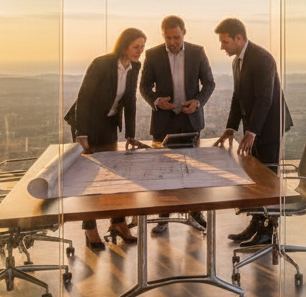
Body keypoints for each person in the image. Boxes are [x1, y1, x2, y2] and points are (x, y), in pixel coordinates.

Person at [65, 27, 148, 250]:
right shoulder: (101, 63)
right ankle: (90, 228)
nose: (140, 51)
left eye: (142, 47)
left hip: (109, 124)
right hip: (87, 125)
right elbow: (84, 98)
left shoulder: (135, 66)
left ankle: (118, 222)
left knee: (114, 176)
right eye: (136, 47)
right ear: (124, 46)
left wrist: (130, 135)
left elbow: (130, 101)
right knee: (89, 179)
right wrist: (81, 134)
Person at [213, 17, 293, 247]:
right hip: (255, 128)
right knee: (254, 179)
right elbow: (237, 97)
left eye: (225, 42)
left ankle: (268, 231)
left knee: (267, 180)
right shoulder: (237, 62)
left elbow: (264, 99)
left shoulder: (262, 58)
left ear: (239, 38)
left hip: (269, 127)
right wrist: (231, 127)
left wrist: (253, 131)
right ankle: (256, 223)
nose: (222, 47)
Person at [139, 15, 216, 233]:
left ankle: (195, 212)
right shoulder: (152, 54)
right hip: (163, 122)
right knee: (163, 173)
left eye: (176, 37)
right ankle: (163, 216)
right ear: (162, 35)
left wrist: (198, 102)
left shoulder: (197, 52)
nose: (172, 42)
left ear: (184, 33)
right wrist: (157, 101)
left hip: (191, 120)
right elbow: (144, 87)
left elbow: (209, 83)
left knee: (193, 171)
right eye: (168, 37)